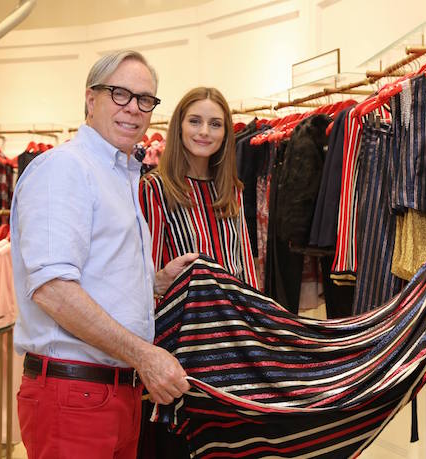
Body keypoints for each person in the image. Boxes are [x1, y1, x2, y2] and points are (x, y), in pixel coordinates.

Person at [11, 50, 196, 459]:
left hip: (113, 393)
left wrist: (156, 280)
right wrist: (144, 355)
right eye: (120, 93)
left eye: (145, 99)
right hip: (75, 395)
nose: (134, 108)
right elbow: (53, 289)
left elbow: (96, 271)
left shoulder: (121, 176)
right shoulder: (65, 168)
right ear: (90, 99)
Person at [137, 87, 258, 457]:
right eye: (195, 121)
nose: (204, 131)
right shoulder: (154, 189)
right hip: (182, 352)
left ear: (226, 134)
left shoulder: (232, 192)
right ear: (179, 127)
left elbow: (246, 268)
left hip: (232, 347)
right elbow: (147, 278)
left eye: (215, 124)